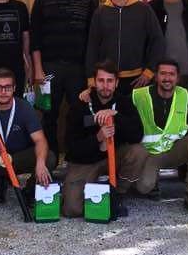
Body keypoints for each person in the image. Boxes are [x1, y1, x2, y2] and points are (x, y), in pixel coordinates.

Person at [62, 61, 147, 218]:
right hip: (86, 161)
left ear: (116, 83)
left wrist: (116, 116)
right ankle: (86, 190)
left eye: (110, 81)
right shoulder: (81, 104)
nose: (105, 86)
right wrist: (98, 138)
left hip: (113, 158)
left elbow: (138, 134)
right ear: (94, 82)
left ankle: (117, 193)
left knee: (138, 152)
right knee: (72, 209)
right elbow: (71, 147)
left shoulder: (123, 102)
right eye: (101, 81)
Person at [30, 0, 97, 153]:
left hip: (78, 68)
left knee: (80, 112)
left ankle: (76, 155)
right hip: (48, 68)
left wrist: (91, 72)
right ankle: (50, 157)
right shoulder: (42, 0)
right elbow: (35, 37)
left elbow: (94, 37)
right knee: (47, 113)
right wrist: (38, 70)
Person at [130, 59, 188, 215]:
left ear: (178, 77)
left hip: (173, 151)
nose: (167, 78)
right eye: (163, 74)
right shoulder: (139, 95)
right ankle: (151, 180)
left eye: (171, 74)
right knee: (143, 187)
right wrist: (90, 94)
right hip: (150, 155)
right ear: (156, 76)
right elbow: (116, 103)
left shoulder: (184, 94)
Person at [0, 68, 57, 203]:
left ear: (14, 88)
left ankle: (30, 189)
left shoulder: (25, 108)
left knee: (48, 158)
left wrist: (40, 163)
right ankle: (0, 181)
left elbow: (40, 140)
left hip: (20, 156)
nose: (3, 92)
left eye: (8, 87)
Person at [84, 0, 164, 97]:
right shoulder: (100, 13)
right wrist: (91, 78)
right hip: (107, 79)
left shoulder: (144, 10)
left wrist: (149, 72)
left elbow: (158, 41)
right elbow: (92, 46)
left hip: (137, 79)